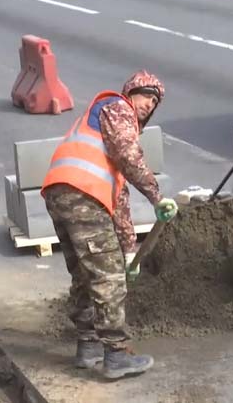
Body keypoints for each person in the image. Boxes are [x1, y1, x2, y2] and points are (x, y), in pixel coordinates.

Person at [41, 70, 179, 380]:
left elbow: (119, 202)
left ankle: (88, 347)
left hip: (60, 193)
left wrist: (129, 252)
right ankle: (116, 354)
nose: (149, 104)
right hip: (81, 196)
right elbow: (128, 155)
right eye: (145, 95)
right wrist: (157, 196)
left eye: (154, 102)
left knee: (84, 274)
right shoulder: (117, 109)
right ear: (130, 92)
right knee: (108, 277)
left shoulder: (102, 135)